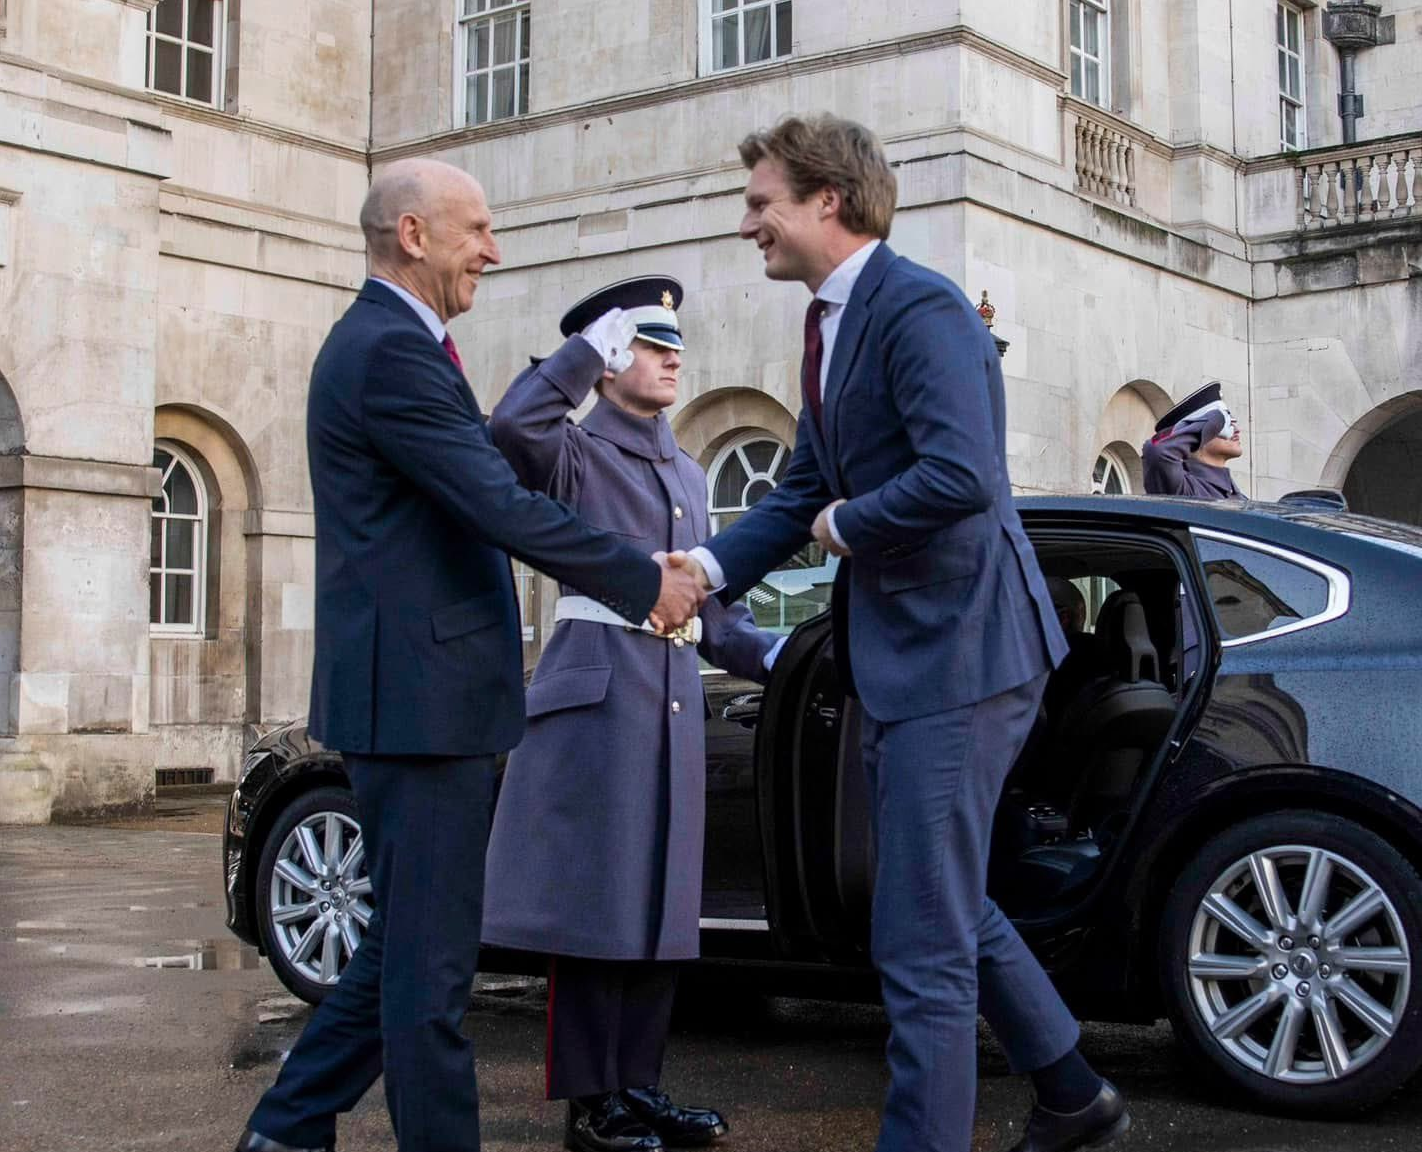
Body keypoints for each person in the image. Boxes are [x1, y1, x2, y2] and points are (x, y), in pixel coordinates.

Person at [673, 114, 1130, 1152]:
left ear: (825, 201)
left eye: (760, 203)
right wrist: (703, 571)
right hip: (910, 657)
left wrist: (850, 525)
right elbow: (798, 487)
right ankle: (1070, 1093)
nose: (748, 225)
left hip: (960, 654)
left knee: (916, 937)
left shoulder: (917, 307)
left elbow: (962, 478)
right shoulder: (831, 320)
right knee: (936, 900)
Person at [232, 159, 704, 1152]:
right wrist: (639, 579)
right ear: (412, 235)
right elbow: (496, 497)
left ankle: (286, 1128)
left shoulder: (400, 345)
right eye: (476, 230)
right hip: (419, 701)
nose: (492, 250)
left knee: (401, 956)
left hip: (423, 695)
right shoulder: (388, 352)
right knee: (432, 982)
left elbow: (480, 481)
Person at [481, 277, 777, 1152]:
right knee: (595, 907)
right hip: (598, 692)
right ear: (610, 358)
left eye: (673, 341)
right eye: (647, 342)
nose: (670, 354)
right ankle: (590, 1101)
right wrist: (577, 355)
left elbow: (712, 610)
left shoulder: (686, 468)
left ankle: (638, 1085)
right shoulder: (572, 450)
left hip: (672, 697)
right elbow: (510, 429)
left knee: (660, 907)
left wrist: (789, 657)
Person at [1141, 381, 1243, 498]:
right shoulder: (1184, 489)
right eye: (1226, 424)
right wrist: (1217, 417)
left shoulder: (1240, 498)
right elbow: (1158, 450)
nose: (1236, 429)